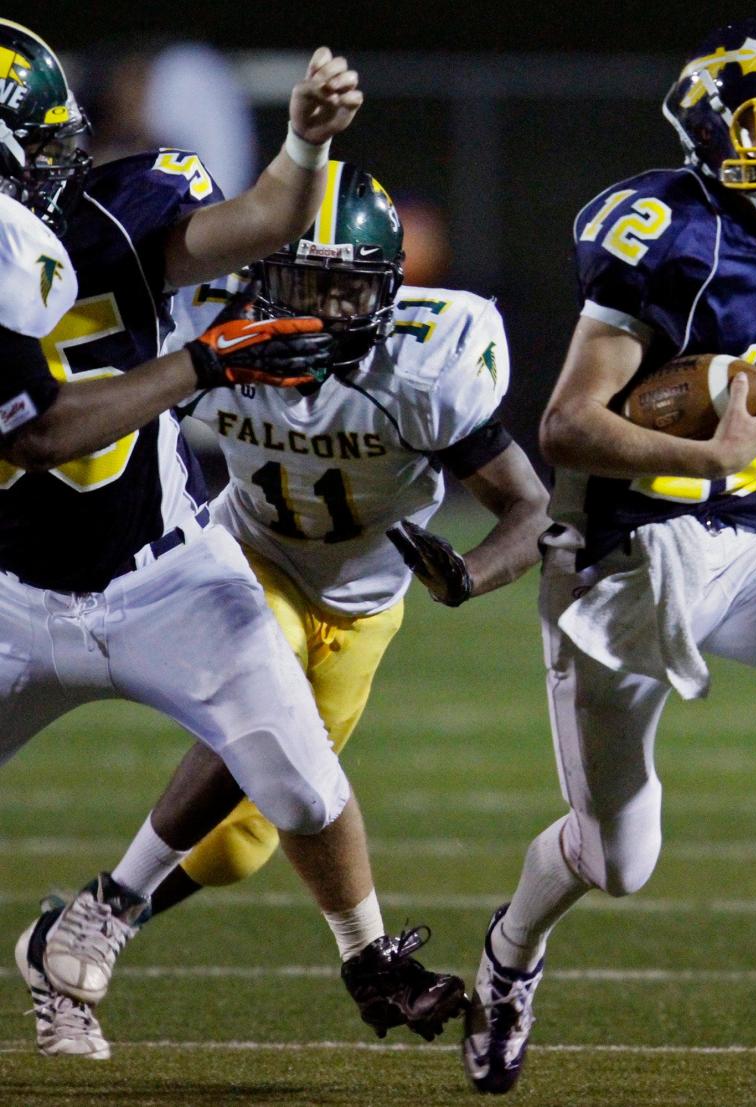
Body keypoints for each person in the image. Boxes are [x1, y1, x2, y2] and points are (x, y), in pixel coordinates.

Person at [461, 17, 756, 1095]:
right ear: (719, 135)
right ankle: (508, 957)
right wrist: (703, 445)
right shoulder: (666, 233)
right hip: (622, 566)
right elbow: (568, 426)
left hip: (745, 545)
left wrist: (726, 461)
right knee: (618, 861)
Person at [0, 19, 463, 1061]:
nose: (53, 170)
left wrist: (305, 145)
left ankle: (370, 955)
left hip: (164, 576)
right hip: (11, 594)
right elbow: (44, 434)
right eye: (30, 151)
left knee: (301, 780)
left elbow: (257, 222)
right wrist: (207, 363)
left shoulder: (117, 213)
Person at [32, 159, 551, 1056]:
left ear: (387, 292)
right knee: (253, 713)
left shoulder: (426, 361)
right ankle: (107, 910)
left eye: (338, 291)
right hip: (246, 555)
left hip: (364, 603)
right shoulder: (219, 327)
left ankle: (76, 921)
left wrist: (468, 574)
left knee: (239, 849)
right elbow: (120, 403)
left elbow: (533, 509)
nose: (310, 310)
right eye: (294, 284)